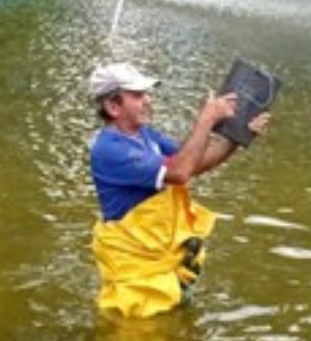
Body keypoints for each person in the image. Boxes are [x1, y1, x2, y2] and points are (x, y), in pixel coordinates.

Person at [86, 61, 269, 318]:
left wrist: (238, 137)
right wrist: (207, 119)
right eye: (137, 95)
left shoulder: (145, 135)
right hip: (137, 277)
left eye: (146, 94)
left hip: (160, 263)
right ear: (113, 107)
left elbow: (194, 164)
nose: (148, 101)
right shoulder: (111, 150)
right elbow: (180, 172)